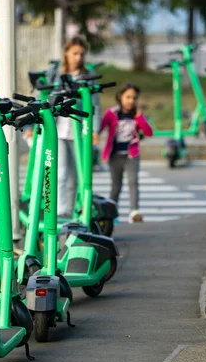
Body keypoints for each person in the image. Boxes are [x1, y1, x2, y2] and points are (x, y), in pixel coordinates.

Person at [54, 36, 101, 218]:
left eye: (81, 54)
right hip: (58, 130)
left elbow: (95, 104)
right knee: (60, 173)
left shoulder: (89, 76)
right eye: (75, 53)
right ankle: (60, 211)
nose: (78, 58)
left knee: (76, 176)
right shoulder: (57, 73)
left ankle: (73, 211)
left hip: (80, 131)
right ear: (66, 53)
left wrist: (94, 129)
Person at [99, 83, 153, 223]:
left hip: (131, 155)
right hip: (114, 155)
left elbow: (148, 132)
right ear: (120, 97)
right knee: (116, 186)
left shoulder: (136, 115)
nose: (131, 101)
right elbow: (99, 127)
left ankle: (134, 212)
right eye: (128, 97)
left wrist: (140, 117)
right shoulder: (112, 113)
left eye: (134, 98)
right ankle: (111, 214)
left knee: (133, 182)